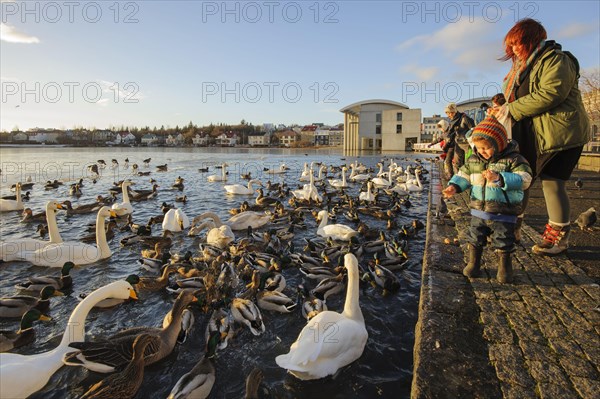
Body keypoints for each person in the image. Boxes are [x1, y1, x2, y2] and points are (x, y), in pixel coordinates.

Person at [495, 18, 590, 255]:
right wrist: (500, 110)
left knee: (552, 182)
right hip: (530, 134)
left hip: (558, 132)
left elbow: (551, 94)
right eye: (512, 45)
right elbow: (512, 100)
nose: (514, 49)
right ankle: (513, 227)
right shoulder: (521, 68)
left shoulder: (557, 60)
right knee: (521, 180)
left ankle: (558, 238)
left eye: (518, 43)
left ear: (532, 39)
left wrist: (510, 109)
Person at [442, 115, 532, 283]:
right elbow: (464, 175)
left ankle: (504, 269)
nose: (481, 151)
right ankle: (473, 264)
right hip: (479, 211)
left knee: (504, 240)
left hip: (503, 211)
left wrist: (500, 178)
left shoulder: (514, 159)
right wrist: (454, 186)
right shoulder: (474, 159)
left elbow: (525, 179)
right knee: (474, 237)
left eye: (486, 147)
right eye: (478, 147)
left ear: (499, 143)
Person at [444, 102, 475, 176]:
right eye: (447, 113)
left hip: (467, 144)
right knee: (457, 163)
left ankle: (466, 179)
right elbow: (451, 134)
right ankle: (459, 179)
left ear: (454, 112)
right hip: (458, 143)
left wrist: (471, 141)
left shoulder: (464, 118)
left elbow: (473, 129)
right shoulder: (453, 121)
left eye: (450, 113)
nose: (449, 115)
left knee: (467, 163)